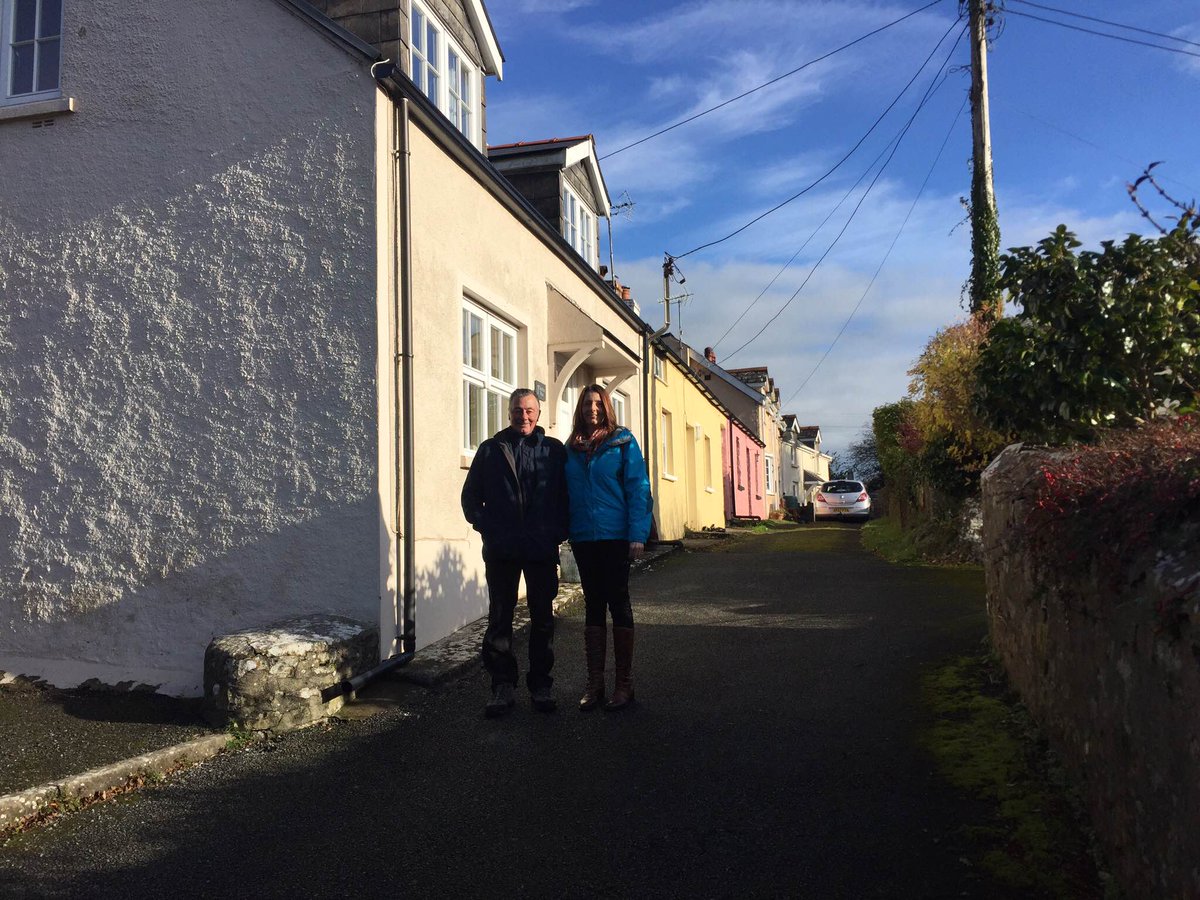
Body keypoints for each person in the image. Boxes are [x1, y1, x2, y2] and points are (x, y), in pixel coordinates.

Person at [461, 388, 569, 717]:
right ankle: (502, 686)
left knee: (542, 619)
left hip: (540, 549)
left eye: (530, 411)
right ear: (509, 413)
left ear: (538, 414)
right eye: (518, 410)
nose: (524, 416)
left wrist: (557, 532)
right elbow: (470, 497)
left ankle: (541, 685)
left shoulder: (554, 451)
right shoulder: (490, 450)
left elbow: (567, 497)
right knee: (500, 618)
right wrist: (488, 527)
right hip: (502, 550)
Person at [564, 385, 653, 712]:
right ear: (580, 408)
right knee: (593, 604)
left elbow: (638, 488)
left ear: (606, 407)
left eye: (598, 403)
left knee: (618, 602)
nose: (593, 409)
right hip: (584, 537)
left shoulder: (622, 442)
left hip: (616, 536)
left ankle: (624, 684)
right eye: (587, 403)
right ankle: (595, 684)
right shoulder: (571, 448)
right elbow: (563, 492)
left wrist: (637, 534)